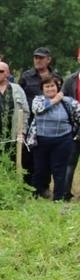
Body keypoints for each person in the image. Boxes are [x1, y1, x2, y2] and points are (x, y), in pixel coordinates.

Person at [28, 76, 79, 201]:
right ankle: (36, 194)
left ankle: (58, 198)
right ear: (42, 89)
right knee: (40, 169)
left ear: (58, 87)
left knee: (59, 170)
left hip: (62, 141)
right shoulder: (38, 100)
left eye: (52, 86)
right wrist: (55, 100)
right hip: (40, 140)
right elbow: (37, 110)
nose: (50, 89)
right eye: (47, 86)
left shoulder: (69, 102)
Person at [18, 47, 62, 188]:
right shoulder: (26, 76)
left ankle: (43, 187)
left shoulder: (56, 76)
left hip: (51, 121)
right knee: (28, 155)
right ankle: (27, 186)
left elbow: (60, 96)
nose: (37, 60)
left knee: (47, 156)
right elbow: (20, 95)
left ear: (48, 59)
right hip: (31, 120)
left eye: (41, 58)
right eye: (36, 57)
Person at [61, 49, 80, 199]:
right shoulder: (70, 80)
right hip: (73, 125)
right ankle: (65, 192)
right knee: (70, 160)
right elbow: (63, 100)